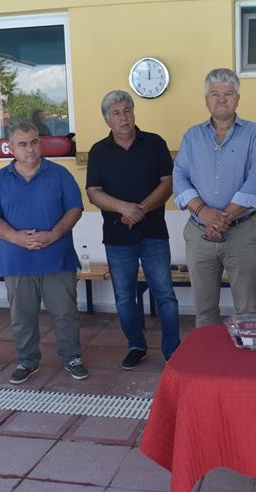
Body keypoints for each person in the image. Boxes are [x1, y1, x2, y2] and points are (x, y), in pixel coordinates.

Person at [0, 121, 87, 384]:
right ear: (11, 148)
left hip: (57, 258)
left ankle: (72, 357)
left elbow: (75, 209)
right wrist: (14, 237)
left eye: (34, 142)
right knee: (22, 317)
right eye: (22, 144)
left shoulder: (60, 174)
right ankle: (27, 360)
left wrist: (54, 234)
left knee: (65, 313)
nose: (30, 149)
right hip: (17, 261)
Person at [87, 90, 179, 369]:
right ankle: (136, 345)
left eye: (127, 110)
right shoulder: (98, 151)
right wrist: (124, 208)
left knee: (165, 294)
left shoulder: (154, 143)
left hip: (153, 234)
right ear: (107, 119)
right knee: (124, 297)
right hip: (118, 237)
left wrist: (140, 210)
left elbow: (168, 183)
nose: (123, 117)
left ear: (134, 112)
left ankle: (173, 350)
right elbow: (93, 192)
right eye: (116, 113)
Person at [173, 68, 256, 327]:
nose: (221, 99)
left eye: (228, 94)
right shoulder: (192, 136)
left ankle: (246, 353)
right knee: (204, 312)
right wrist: (204, 213)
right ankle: (208, 354)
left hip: (241, 233)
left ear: (238, 98)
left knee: (247, 309)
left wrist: (220, 220)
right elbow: (179, 177)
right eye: (215, 94)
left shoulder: (255, 134)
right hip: (199, 235)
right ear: (206, 100)